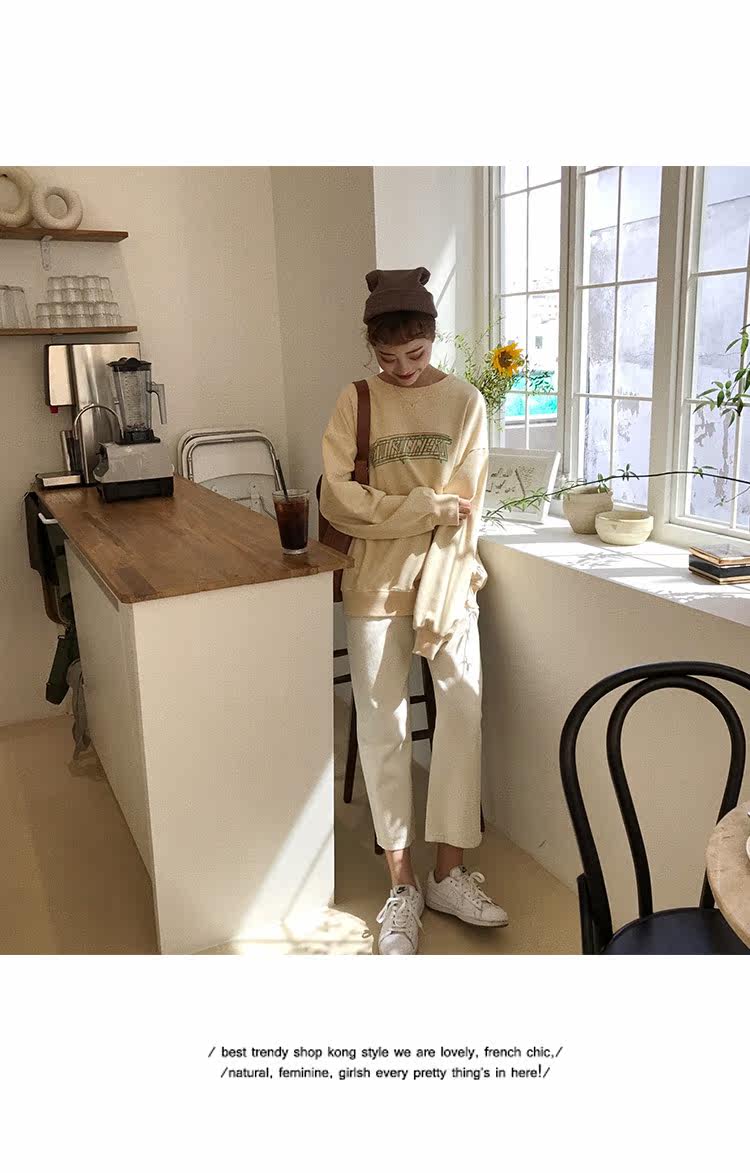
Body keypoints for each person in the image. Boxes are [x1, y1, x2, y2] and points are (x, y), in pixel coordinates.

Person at [321, 267, 508, 955]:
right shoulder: (355, 401)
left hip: (449, 580)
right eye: (388, 357)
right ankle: (401, 884)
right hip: (373, 585)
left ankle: (448, 873)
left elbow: (467, 509)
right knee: (383, 726)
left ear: (433, 337)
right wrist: (424, 508)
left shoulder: (464, 402)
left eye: (416, 354)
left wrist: (410, 525)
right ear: (371, 346)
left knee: (464, 711)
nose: (402, 370)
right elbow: (339, 501)